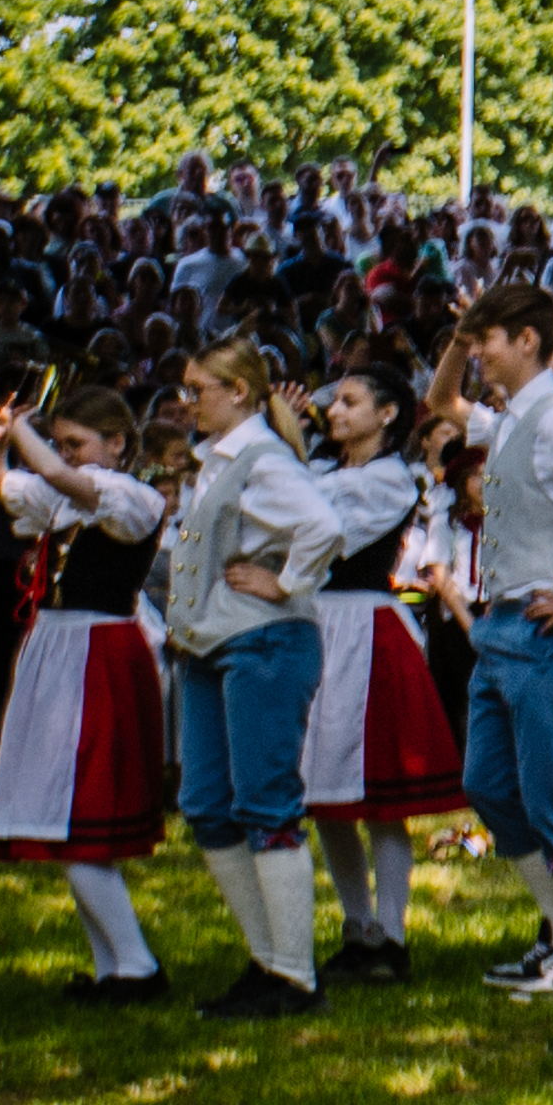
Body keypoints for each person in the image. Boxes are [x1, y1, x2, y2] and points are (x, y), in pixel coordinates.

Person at [444, 281, 553, 998]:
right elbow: (440, 406)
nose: (477, 353)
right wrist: (459, 336)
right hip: (499, 626)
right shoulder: (515, 417)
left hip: (542, 629)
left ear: (527, 340)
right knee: (488, 783)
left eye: (486, 339)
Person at [158, 335, 343, 1019]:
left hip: (264, 641)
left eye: (196, 388)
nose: (186, 402)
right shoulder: (221, 460)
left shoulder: (260, 459)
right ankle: (269, 958)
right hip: (212, 644)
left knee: (266, 803)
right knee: (207, 802)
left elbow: (323, 524)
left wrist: (285, 581)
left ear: (237, 391)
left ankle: (293, 974)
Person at [0, 388, 177, 997]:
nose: (65, 454)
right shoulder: (62, 497)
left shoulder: (132, 498)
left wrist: (25, 436)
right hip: (59, 649)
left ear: (118, 443)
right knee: (63, 818)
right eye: (60, 441)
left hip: (100, 651)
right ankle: (111, 967)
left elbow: (58, 474)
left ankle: (136, 966)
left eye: (78, 442)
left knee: (81, 813)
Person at [286, 358, 465, 986]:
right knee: (327, 793)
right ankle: (356, 925)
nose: (334, 411)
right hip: (319, 624)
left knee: (381, 798)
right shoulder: (325, 472)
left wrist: (286, 446)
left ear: (387, 415)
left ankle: (391, 930)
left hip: (365, 628)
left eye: (351, 402)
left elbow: (322, 531)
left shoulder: (392, 478)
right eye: (333, 402)